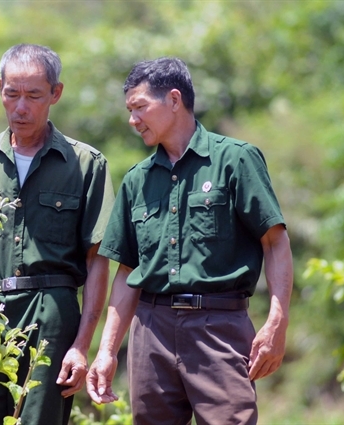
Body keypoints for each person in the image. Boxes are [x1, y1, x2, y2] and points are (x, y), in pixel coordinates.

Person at [86, 57, 293, 424]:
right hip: (151, 333)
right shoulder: (137, 179)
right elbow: (127, 272)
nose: (133, 120)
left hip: (218, 327)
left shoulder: (235, 160)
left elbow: (275, 242)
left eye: (140, 108)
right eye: (129, 111)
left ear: (175, 99)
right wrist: (106, 351)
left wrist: (277, 321)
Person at [0, 43, 115, 425]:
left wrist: (82, 344)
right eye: (12, 94)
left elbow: (97, 262)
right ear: (0, 89)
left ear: (56, 93)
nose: (21, 107)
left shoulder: (86, 164)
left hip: (52, 316)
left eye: (34, 96)